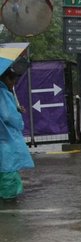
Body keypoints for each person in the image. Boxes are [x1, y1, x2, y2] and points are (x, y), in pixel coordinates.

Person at [0, 66, 35, 201]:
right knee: (8, 173)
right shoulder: (3, 93)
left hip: (3, 139)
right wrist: (17, 114)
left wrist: (15, 108)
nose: (13, 84)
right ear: (6, 78)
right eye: (13, 81)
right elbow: (9, 116)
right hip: (6, 140)